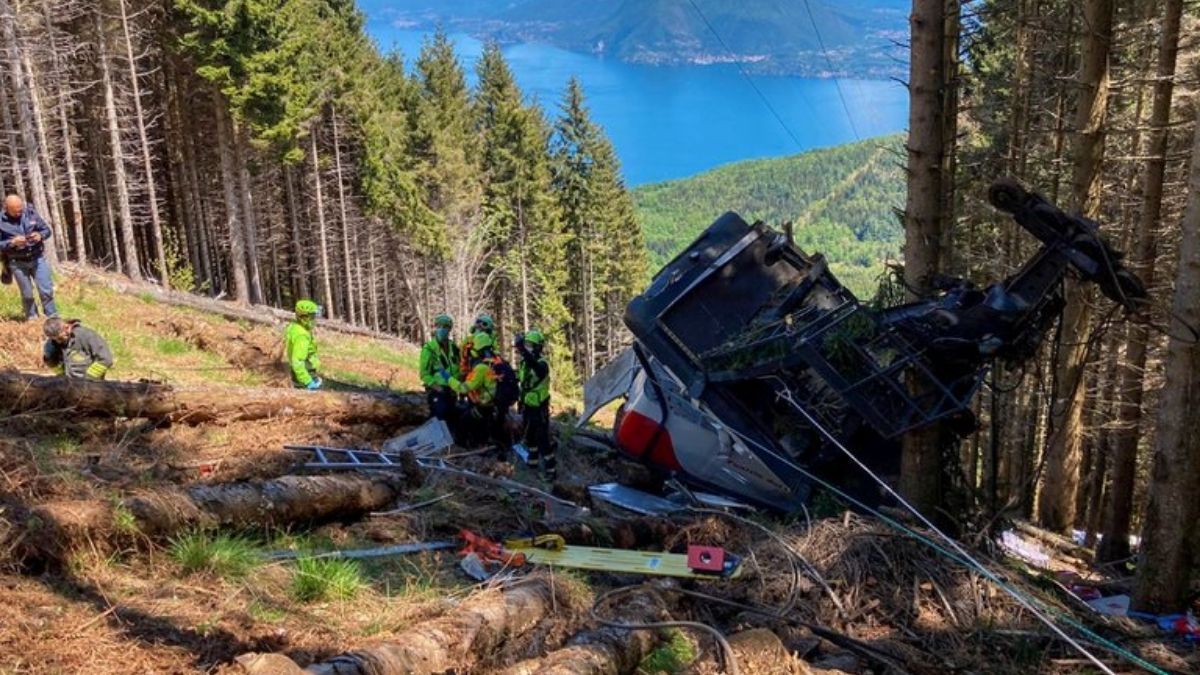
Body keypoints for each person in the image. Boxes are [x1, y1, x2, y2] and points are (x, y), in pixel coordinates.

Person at [449, 332, 514, 453]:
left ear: (475, 351)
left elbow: (463, 388)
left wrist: (449, 379)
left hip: (484, 407)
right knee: (478, 424)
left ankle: (463, 449)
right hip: (493, 406)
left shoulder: (480, 368)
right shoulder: (494, 362)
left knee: (463, 421)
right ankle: (482, 444)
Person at [0, 195, 56, 320]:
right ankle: (32, 319)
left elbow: (47, 230)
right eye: (15, 211)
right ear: (7, 209)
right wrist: (12, 243)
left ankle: (52, 318)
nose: (19, 213)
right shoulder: (1, 221)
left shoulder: (31, 213)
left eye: (21, 209)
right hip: (17, 262)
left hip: (37, 259)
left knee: (46, 290)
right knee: (27, 295)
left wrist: (40, 235)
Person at [515, 330, 554, 480]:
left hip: (539, 407)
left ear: (538, 347)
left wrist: (523, 350)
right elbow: (521, 378)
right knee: (530, 437)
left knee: (542, 439)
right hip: (527, 405)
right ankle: (532, 464)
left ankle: (551, 470)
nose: (528, 347)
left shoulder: (542, 364)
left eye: (531, 345)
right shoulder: (524, 363)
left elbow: (536, 369)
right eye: (526, 344)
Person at [42, 317, 113, 380]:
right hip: (68, 385)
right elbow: (53, 364)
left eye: (60, 338)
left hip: (90, 385)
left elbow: (105, 359)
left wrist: (88, 379)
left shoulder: (87, 336)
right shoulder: (52, 344)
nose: (58, 342)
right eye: (55, 339)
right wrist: (62, 377)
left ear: (67, 327)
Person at [419, 314, 460, 422]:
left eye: (445, 326)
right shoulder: (429, 348)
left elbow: (458, 367)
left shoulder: (454, 347)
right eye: (439, 326)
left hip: (452, 390)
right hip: (437, 391)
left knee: (453, 419)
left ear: (449, 329)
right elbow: (424, 373)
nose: (442, 329)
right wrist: (435, 386)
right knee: (439, 417)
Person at [285, 300, 322, 389]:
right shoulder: (301, 336)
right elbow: (297, 361)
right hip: (305, 374)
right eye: (312, 317)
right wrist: (308, 381)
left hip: (303, 374)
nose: (314, 320)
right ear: (304, 318)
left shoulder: (295, 327)